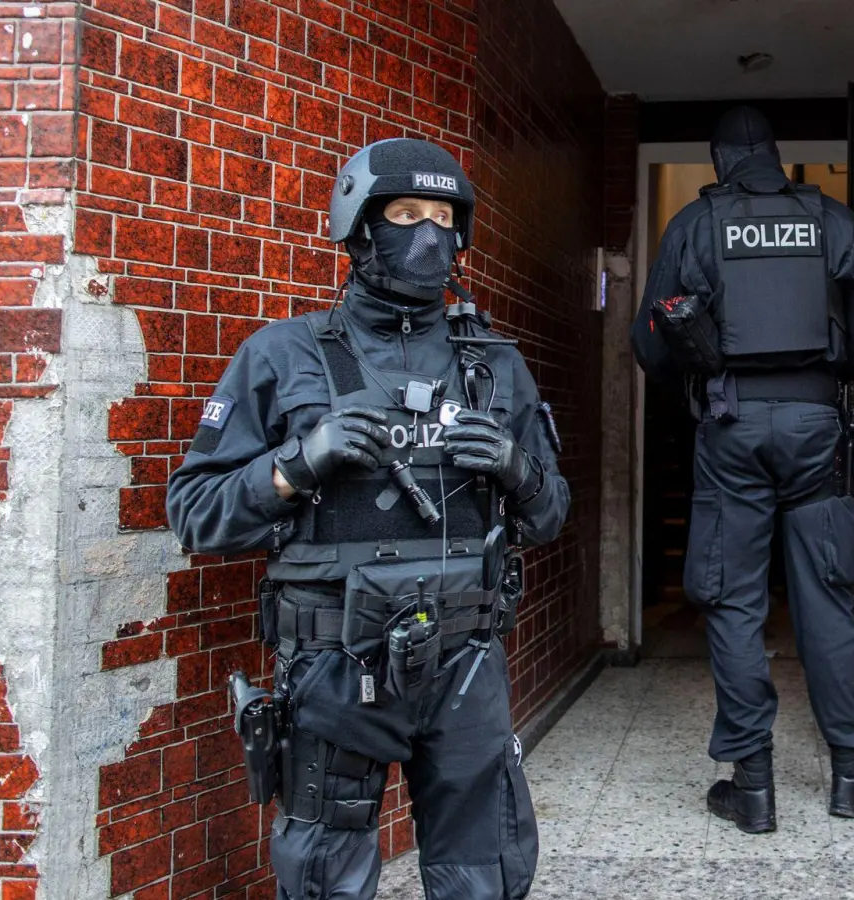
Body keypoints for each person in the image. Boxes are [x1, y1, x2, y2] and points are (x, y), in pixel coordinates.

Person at [166, 138, 569, 899]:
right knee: (324, 876)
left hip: (467, 660)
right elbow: (194, 514)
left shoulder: (495, 364)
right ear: (358, 225)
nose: (427, 234)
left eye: (444, 217)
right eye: (405, 212)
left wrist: (517, 469)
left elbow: (549, 516)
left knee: (486, 868)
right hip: (334, 661)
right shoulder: (283, 354)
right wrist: (293, 466)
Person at [630, 106, 854, 834]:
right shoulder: (833, 220)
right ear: (777, 158)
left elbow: (651, 345)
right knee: (828, 597)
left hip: (730, 427)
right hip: (817, 424)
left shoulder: (697, 223)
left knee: (735, 601)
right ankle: (852, 773)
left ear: (719, 162)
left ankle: (752, 786)